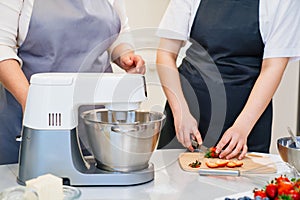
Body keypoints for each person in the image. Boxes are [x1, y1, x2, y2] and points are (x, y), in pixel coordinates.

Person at [0, 0, 145, 164]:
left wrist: (124, 54)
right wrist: (33, 103)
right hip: (32, 121)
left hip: (94, 123)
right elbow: (2, 47)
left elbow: (118, 33)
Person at [156, 0, 300, 160]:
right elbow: (165, 55)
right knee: (174, 182)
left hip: (246, 116)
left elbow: (273, 67)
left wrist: (242, 127)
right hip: (187, 114)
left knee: (241, 184)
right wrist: (180, 111)